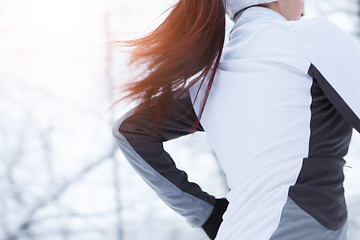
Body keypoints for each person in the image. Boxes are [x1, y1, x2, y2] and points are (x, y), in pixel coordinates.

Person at [112, 0, 360, 239]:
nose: (304, 7)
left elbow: (130, 129)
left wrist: (205, 214)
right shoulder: (310, 36)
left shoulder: (208, 83)